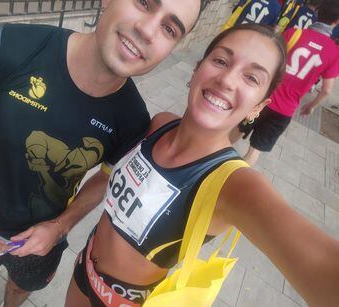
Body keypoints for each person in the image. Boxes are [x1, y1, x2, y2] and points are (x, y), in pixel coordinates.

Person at [0, 0, 203, 306]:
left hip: (43, 240)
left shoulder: (133, 121)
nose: (147, 30)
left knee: (19, 293)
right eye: (143, 2)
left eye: (169, 29)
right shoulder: (6, 45)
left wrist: (60, 226)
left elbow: (107, 178)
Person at [65, 23, 339, 307]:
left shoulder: (233, 185)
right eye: (220, 60)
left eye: (252, 78)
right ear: (197, 68)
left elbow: (322, 263)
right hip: (84, 265)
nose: (227, 80)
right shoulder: (160, 123)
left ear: (259, 106)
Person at [232, 0, 339, 166]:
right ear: (337, 21)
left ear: (318, 12)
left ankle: (208, 161)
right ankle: (229, 179)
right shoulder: (334, 52)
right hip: (284, 111)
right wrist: (310, 106)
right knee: (255, 150)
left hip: (262, 99)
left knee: (237, 131)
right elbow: (326, 91)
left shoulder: (293, 33)